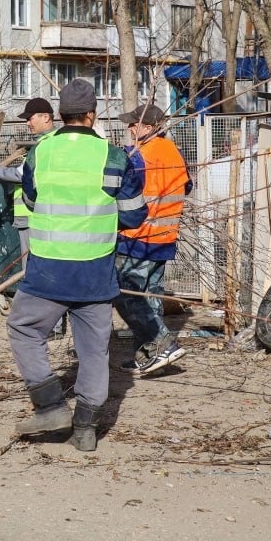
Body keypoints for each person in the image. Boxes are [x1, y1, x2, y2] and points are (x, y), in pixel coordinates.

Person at [8, 79, 146, 451]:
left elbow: (33, 202)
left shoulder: (40, 153)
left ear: (60, 114)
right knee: (94, 350)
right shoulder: (114, 156)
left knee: (24, 330)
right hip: (94, 272)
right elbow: (133, 218)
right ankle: (85, 428)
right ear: (91, 115)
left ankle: (51, 405)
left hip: (47, 270)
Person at [115, 103, 193, 376]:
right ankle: (149, 358)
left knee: (127, 296)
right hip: (164, 237)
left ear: (148, 128)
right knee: (150, 298)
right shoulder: (173, 152)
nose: (129, 128)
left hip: (137, 237)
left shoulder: (139, 155)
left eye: (133, 124)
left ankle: (163, 343)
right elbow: (188, 186)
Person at [0, 97, 58, 257]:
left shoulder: (47, 144)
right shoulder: (46, 143)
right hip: (38, 216)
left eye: (30, 118)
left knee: (31, 266)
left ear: (46, 117)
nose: (27, 123)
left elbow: (21, 174)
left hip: (34, 216)